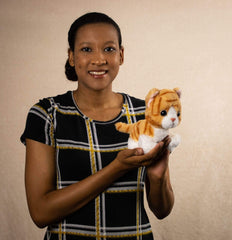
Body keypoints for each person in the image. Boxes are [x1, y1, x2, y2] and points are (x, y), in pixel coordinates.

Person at [21, 12, 174, 240]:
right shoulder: (47, 114)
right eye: (86, 49)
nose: (99, 59)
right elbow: (40, 213)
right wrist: (116, 168)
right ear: (72, 57)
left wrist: (158, 177)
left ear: (121, 55)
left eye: (109, 49)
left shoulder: (146, 113)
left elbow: (162, 210)